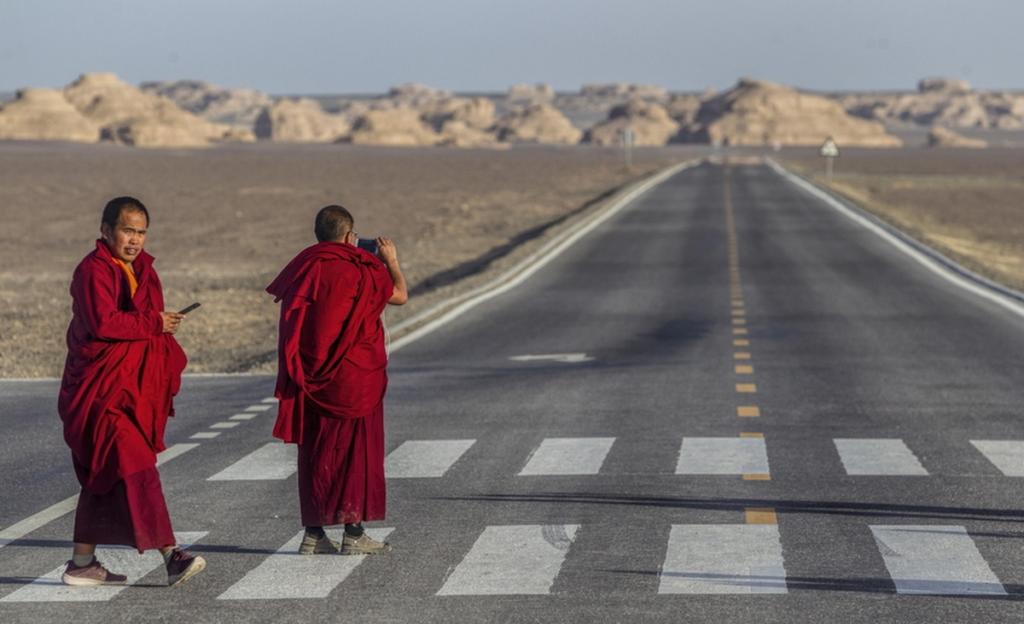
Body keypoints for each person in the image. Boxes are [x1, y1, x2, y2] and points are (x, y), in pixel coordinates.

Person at [58, 196, 206, 587]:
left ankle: (81, 563)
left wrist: (160, 324)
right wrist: (154, 323)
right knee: (138, 468)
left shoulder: (139, 270)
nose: (135, 239)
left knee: (102, 475)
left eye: (141, 232)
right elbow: (106, 323)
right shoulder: (93, 271)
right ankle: (172, 555)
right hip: (102, 393)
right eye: (127, 230)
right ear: (106, 231)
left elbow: (138, 320)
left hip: (126, 389)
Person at [267, 204, 408, 555]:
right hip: (353, 377)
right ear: (350, 236)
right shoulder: (364, 268)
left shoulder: (304, 266)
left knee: (316, 452)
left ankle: (313, 534)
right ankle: (353, 532)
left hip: (311, 377)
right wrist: (391, 261)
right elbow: (400, 296)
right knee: (355, 453)